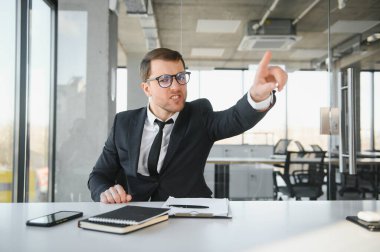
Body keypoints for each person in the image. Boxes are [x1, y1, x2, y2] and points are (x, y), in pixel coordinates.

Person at [88, 48, 287, 203]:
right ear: (146, 88)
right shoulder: (123, 123)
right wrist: (105, 192)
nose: (176, 86)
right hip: (134, 215)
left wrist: (257, 96)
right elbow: (99, 175)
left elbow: (235, 118)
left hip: (189, 218)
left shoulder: (199, 115)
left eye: (180, 77)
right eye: (164, 80)